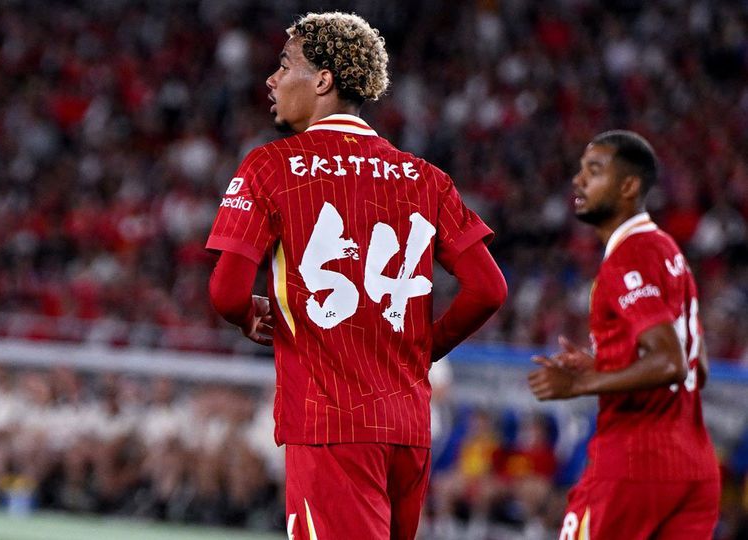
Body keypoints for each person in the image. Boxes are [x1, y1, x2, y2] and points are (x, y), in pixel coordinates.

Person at [206, 11, 507, 539]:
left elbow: (226, 293)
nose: (272, 79)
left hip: (329, 423)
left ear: (323, 80)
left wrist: (245, 314)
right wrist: (424, 350)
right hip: (408, 427)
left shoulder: (270, 166)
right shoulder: (426, 178)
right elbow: (488, 289)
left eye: (285, 65)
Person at [527, 131, 720, 539]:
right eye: (581, 170)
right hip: (695, 466)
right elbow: (696, 364)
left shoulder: (628, 257)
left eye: (594, 170)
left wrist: (581, 383)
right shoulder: (669, 253)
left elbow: (670, 362)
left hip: (634, 463)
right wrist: (607, 363)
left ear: (629, 186)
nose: (578, 180)